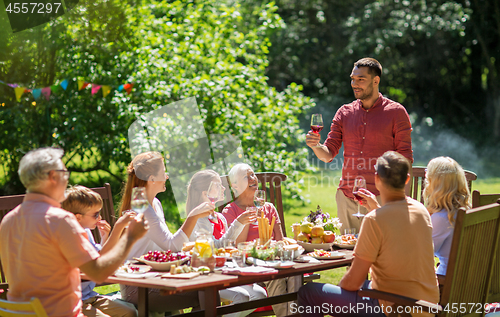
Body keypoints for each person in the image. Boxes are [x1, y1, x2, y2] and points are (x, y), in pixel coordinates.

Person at [0, 147, 148, 317]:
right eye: (64, 172)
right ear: (52, 177)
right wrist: (130, 237)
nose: (67, 177)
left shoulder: (8, 220)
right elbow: (98, 272)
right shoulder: (59, 220)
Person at [297, 151, 439, 317]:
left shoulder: (374, 220)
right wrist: (376, 208)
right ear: (407, 179)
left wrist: (342, 288)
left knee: (309, 292)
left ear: (376, 178)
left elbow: (352, 282)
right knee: (364, 285)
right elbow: (396, 226)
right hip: (426, 306)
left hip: (394, 309)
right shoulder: (420, 210)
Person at [305, 57, 413, 232]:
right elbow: (328, 154)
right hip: (348, 198)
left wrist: (401, 201)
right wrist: (316, 146)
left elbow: (405, 160)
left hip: (381, 199)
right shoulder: (344, 113)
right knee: (349, 254)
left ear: (376, 80)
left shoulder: (396, 112)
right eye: (353, 79)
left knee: (381, 255)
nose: (355, 84)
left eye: (361, 79)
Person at [118, 151, 213, 312]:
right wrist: (193, 216)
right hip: (138, 287)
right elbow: (172, 245)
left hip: (155, 278)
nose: (167, 177)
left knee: (206, 287)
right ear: (152, 178)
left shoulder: (155, 203)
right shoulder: (141, 208)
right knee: (207, 292)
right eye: (164, 172)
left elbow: (167, 247)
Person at [222, 163, 300, 317]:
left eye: (253, 174)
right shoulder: (230, 211)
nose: (253, 179)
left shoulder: (269, 208)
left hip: (272, 258)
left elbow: (280, 240)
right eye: (246, 176)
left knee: (295, 272)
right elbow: (237, 248)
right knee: (277, 278)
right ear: (235, 186)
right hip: (247, 265)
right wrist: (246, 221)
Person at [186, 169, 266, 317]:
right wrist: (238, 223)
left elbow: (228, 246)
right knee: (242, 297)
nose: (224, 188)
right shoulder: (198, 219)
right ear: (205, 193)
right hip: (205, 276)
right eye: (218, 185)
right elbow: (213, 247)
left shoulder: (220, 218)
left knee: (260, 294)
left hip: (223, 271)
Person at [62, 185, 138, 317]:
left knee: (130, 312)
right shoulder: (69, 236)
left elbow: (100, 255)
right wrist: (118, 228)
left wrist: (105, 237)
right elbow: (98, 263)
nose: (99, 217)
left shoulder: (85, 231)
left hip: (90, 296)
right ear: (78, 217)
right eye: (95, 214)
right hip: (73, 302)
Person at [422, 156, 470, 276]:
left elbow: (420, 257)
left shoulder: (442, 218)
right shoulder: (463, 212)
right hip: (463, 281)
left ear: (435, 185)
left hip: (445, 284)